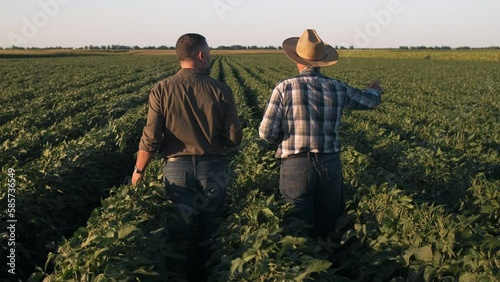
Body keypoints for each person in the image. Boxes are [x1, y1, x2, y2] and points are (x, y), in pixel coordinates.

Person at [131, 33, 242, 281]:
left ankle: (182, 275)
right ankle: (210, 274)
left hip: (176, 171)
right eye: (209, 54)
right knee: (212, 230)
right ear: (201, 56)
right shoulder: (221, 90)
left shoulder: (161, 90)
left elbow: (151, 139)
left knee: (180, 232)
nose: (210, 58)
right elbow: (234, 138)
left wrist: (139, 171)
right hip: (212, 168)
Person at [259, 29, 383, 240]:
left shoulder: (284, 88)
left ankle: (304, 269)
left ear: (297, 60)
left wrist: (284, 139)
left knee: (296, 228)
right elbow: (369, 100)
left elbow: (266, 132)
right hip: (329, 165)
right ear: (321, 61)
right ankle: (330, 264)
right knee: (329, 225)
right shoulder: (337, 87)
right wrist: (376, 90)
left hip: (295, 165)